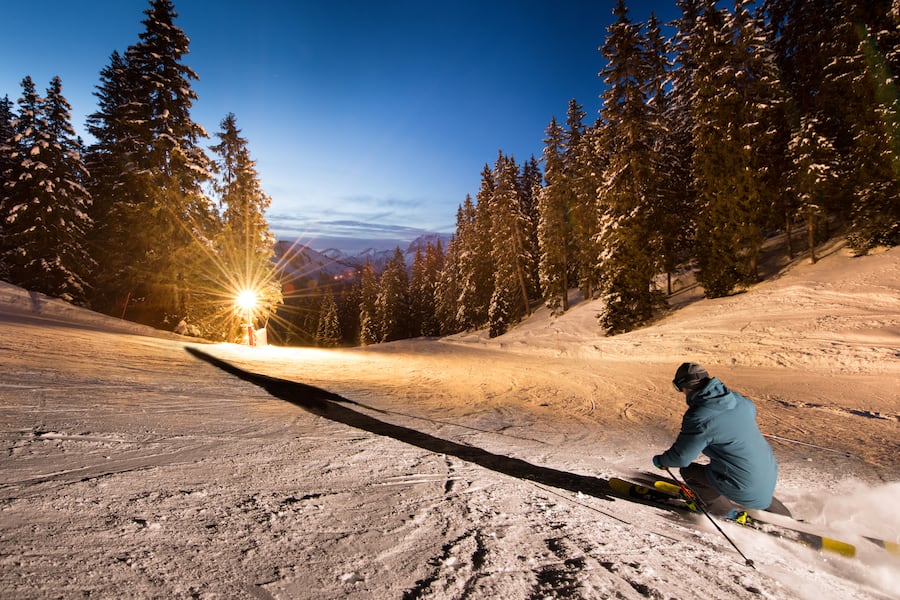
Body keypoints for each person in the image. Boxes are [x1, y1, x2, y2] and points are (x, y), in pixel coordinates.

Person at [652, 362, 791, 517]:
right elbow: (750, 411)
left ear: (684, 386)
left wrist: (662, 461)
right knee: (753, 486)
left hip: (742, 483)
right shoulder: (739, 400)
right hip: (768, 471)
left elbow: (681, 458)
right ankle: (786, 518)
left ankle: (723, 511)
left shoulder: (700, 416)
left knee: (689, 471)